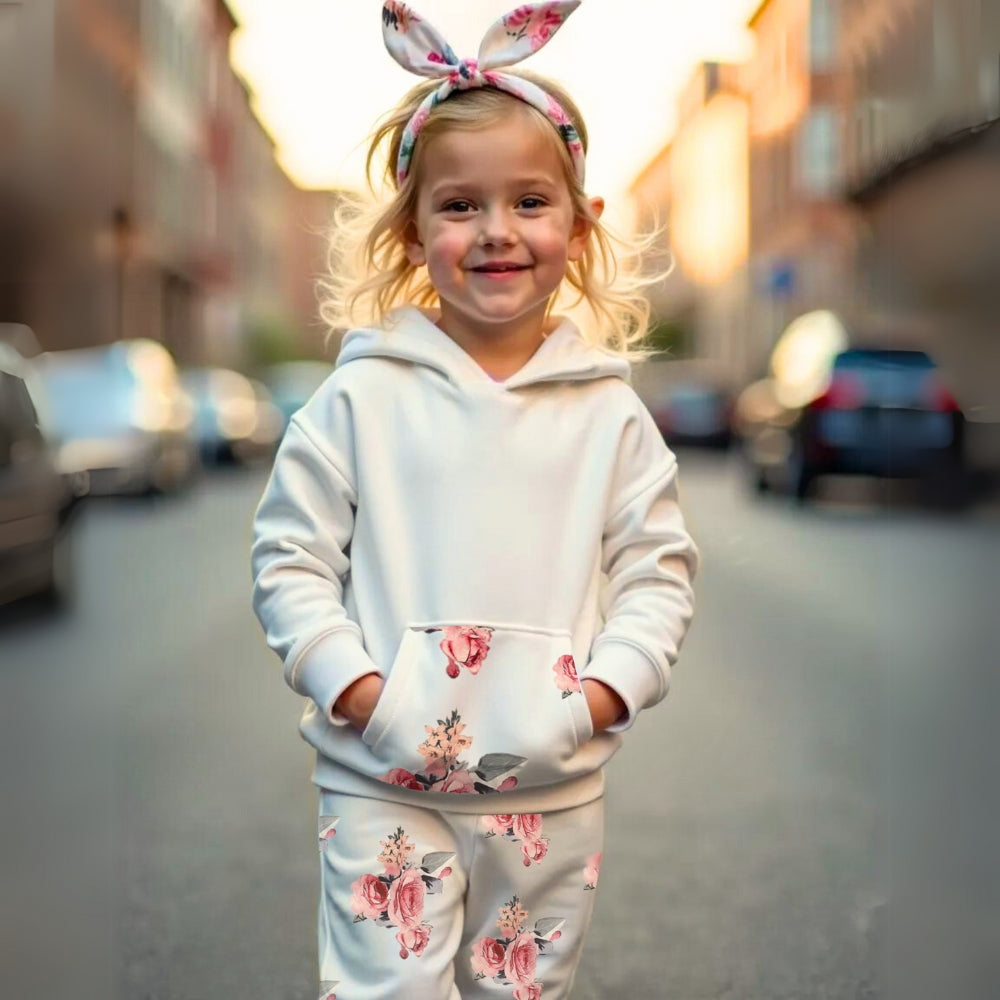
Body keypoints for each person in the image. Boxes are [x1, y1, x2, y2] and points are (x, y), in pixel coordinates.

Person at [251, 3, 699, 998]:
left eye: (530, 201)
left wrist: (600, 696)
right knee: (385, 988)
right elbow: (290, 558)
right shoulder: (358, 398)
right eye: (459, 206)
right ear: (412, 234)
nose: (496, 231)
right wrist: (365, 695)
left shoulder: (609, 414)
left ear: (578, 228)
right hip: (377, 774)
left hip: (550, 784)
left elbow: (656, 569)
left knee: (520, 990)